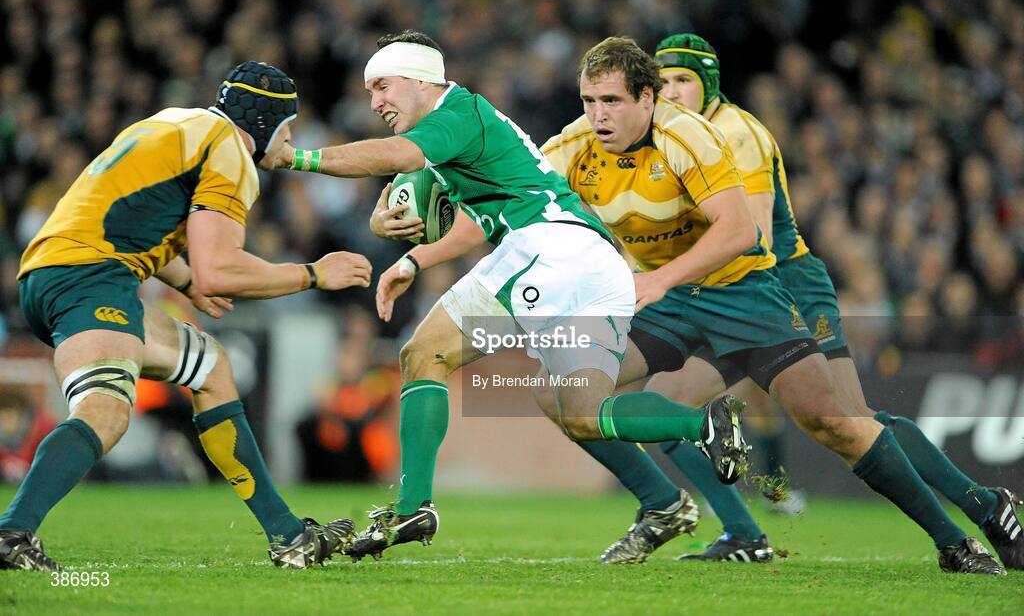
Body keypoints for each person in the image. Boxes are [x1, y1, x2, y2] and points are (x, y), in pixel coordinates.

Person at [533, 37, 1003, 574]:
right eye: (589, 101)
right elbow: (520, 197)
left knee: (840, 421)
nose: (597, 115)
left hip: (754, 289)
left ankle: (958, 536)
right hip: (671, 295)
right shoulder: (573, 147)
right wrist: (432, 230)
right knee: (563, 389)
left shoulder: (711, 135)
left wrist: (656, 278)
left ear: (649, 97)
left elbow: (743, 233)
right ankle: (678, 508)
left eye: (611, 101)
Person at [275, 30, 748, 560]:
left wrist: (298, 159)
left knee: (422, 353)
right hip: (593, 264)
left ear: (420, 81)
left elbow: (394, 155)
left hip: (548, 248)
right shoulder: (464, 132)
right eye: (369, 92)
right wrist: (412, 257)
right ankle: (698, 431)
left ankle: (412, 507)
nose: (376, 101)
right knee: (581, 411)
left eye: (382, 86)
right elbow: (476, 215)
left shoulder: (455, 114)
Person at [0, 61, 372, 571]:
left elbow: (131, 217)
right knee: (105, 410)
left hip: (59, 270)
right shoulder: (231, 151)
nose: (288, 147)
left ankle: (288, 536)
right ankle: (11, 533)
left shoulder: (173, 122)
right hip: (89, 276)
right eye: (286, 132)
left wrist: (185, 282)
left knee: (210, 366)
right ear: (263, 126)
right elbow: (219, 268)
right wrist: (313, 274)